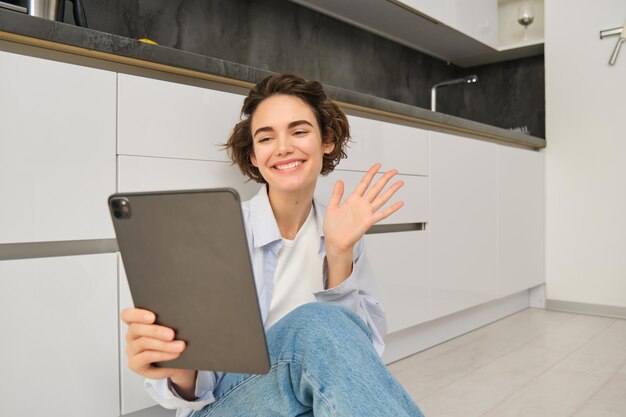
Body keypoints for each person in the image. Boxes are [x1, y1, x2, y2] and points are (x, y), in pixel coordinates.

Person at [121, 74, 425, 417]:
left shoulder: (343, 229)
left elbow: (356, 364)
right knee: (315, 323)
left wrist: (340, 254)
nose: (283, 147)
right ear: (253, 156)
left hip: (302, 403)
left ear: (326, 140)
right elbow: (194, 390)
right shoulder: (221, 230)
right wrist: (177, 363)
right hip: (225, 406)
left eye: (298, 131)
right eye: (266, 138)